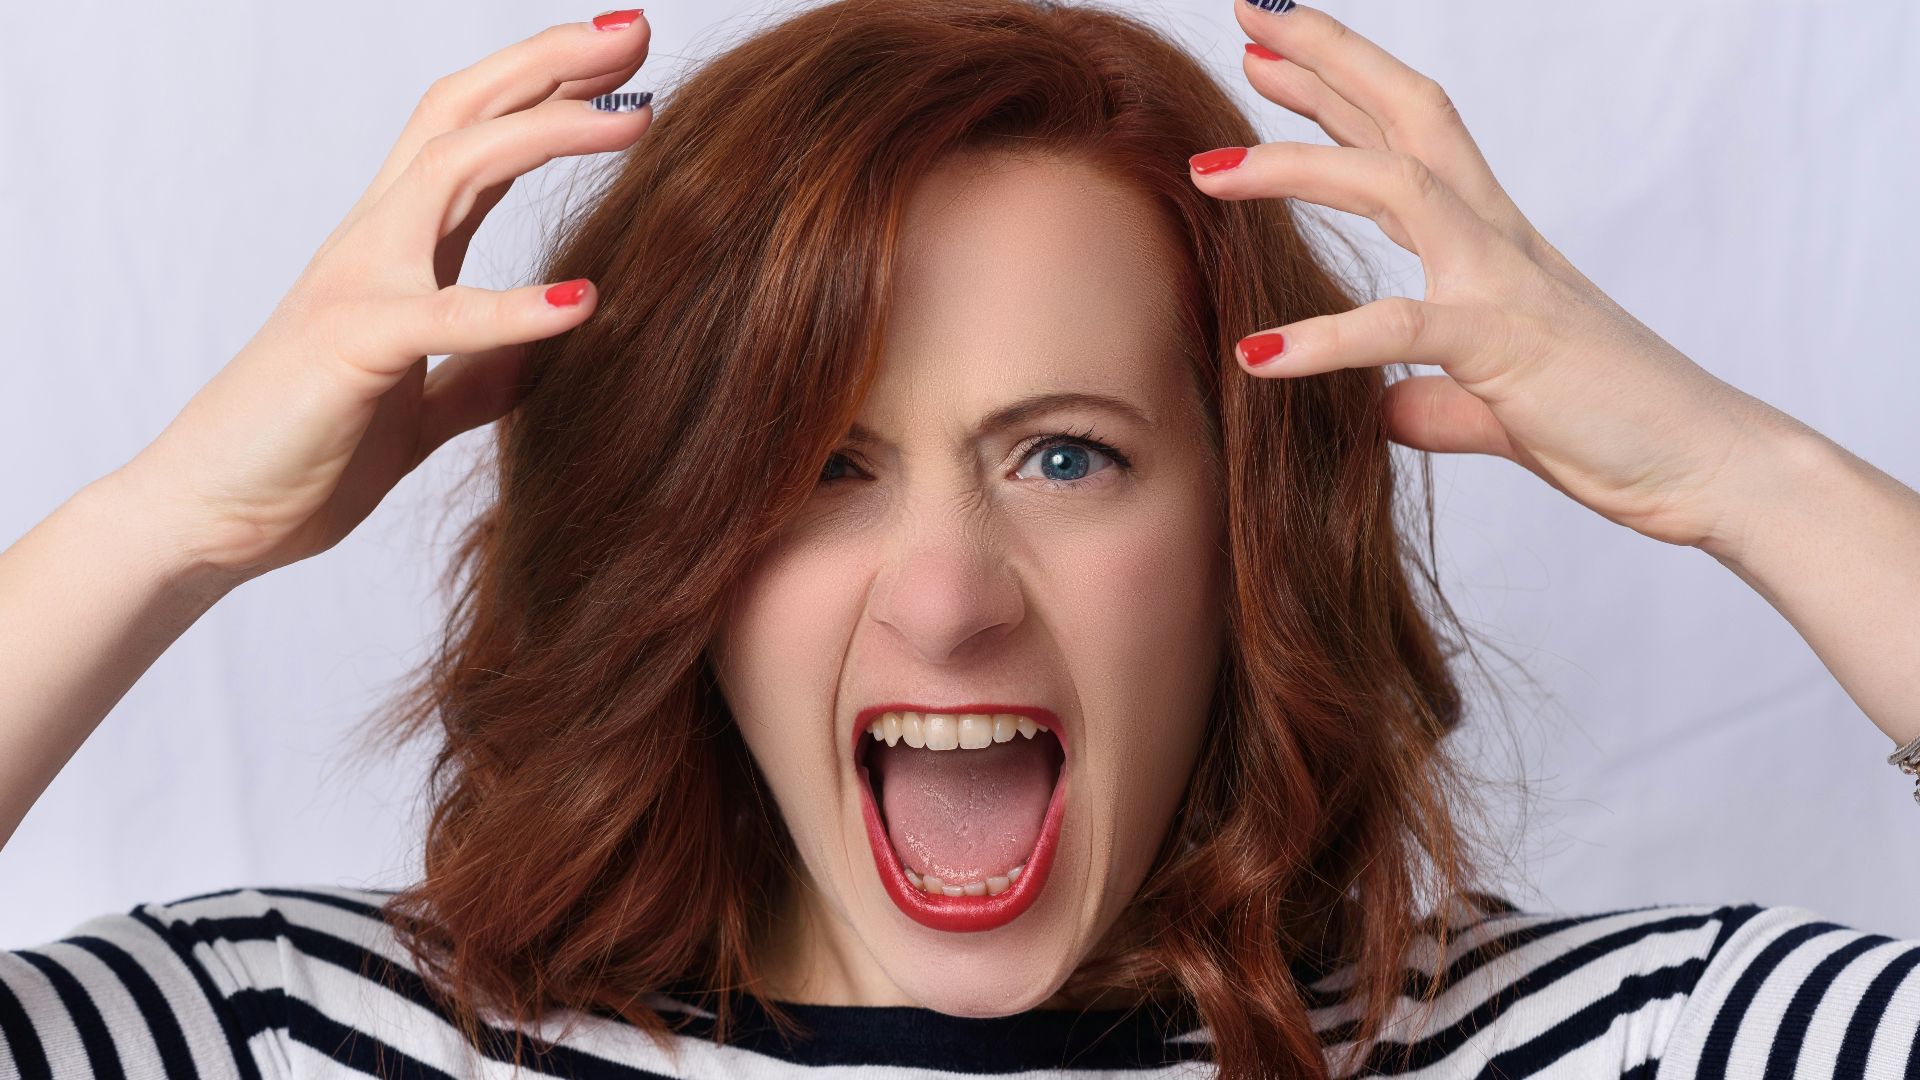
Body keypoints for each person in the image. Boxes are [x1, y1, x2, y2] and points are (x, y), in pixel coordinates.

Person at [2, 0, 1916, 1076]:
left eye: (1067, 458)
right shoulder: (281, 1034)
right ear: (672, 546)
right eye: (818, 469)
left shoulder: (1618, 1048)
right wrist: (163, 527)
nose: (945, 598)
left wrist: (1749, 479)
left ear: (1249, 528)